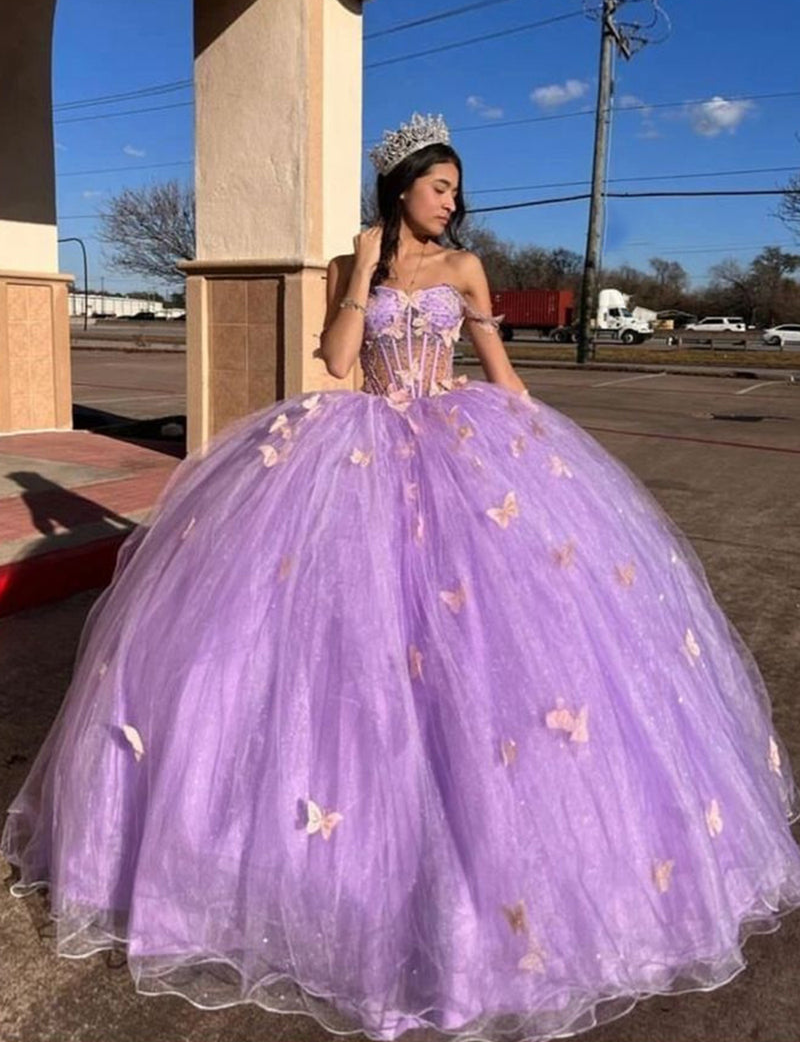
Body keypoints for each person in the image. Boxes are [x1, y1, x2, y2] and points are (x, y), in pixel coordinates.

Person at [3, 112, 800, 1042]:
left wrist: (548, 456)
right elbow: (340, 362)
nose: (453, 201)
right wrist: (362, 270)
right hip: (361, 447)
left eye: (457, 188)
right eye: (440, 186)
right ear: (401, 191)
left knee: (482, 652)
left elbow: (501, 373)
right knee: (346, 648)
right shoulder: (366, 262)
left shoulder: (465, 270)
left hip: (463, 452)